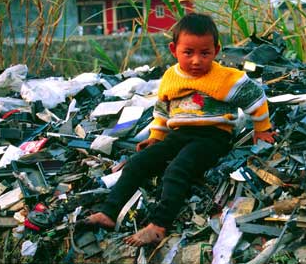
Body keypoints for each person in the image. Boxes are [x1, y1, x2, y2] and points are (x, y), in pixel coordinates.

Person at [84, 13, 275, 246]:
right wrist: (156, 136)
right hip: (178, 135)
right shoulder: (171, 77)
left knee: (176, 170)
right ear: (174, 50)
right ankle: (109, 213)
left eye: (204, 53)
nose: (196, 61)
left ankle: (158, 225)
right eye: (188, 53)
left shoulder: (225, 78)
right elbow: (163, 110)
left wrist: (262, 129)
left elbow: (255, 97)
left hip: (212, 137)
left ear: (216, 50)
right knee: (137, 163)